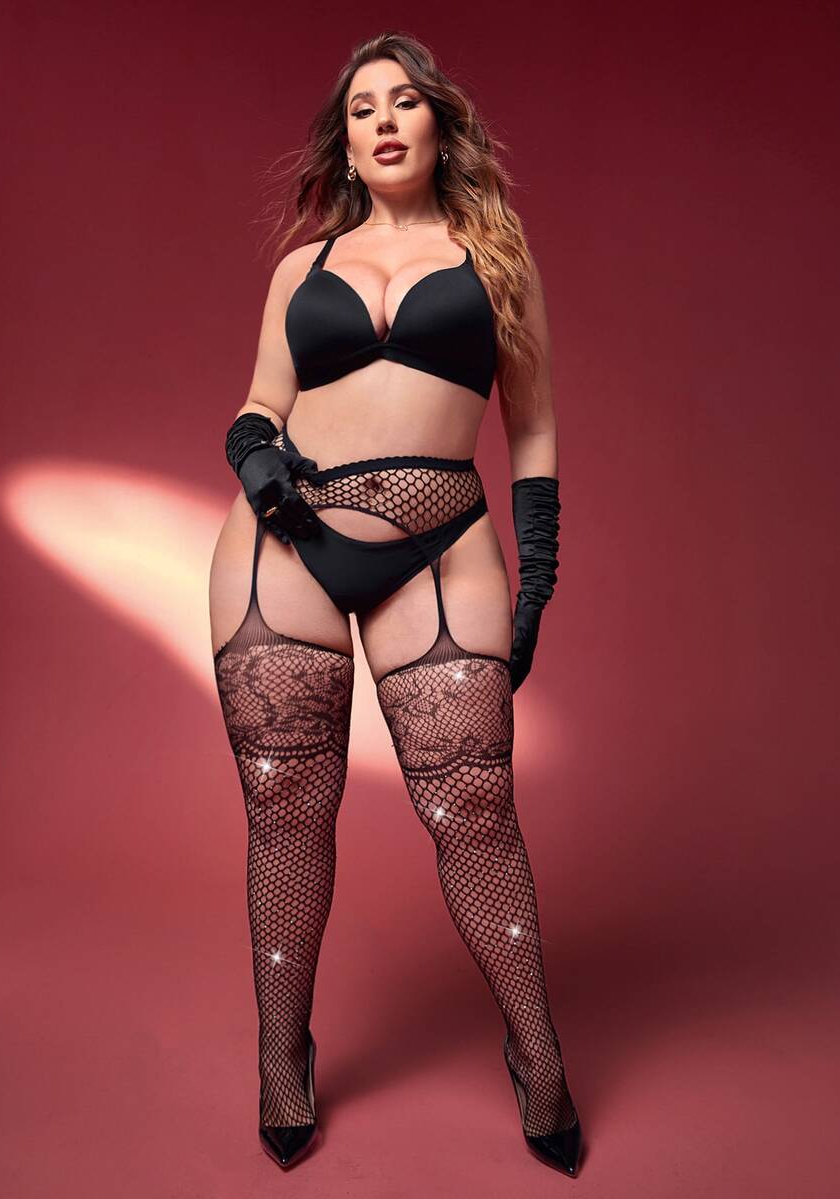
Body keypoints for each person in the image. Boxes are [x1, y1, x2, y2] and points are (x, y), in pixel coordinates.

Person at [209, 30, 582, 1177]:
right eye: (362, 106)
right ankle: (282, 1056)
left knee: (474, 807)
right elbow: (261, 401)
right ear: (345, 139)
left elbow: (532, 426)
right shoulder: (301, 269)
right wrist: (254, 455)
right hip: (286, 546)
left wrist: (538, 572)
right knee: (286, 809)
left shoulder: (495, 257)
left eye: (404, 101)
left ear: (437, 123)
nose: (382, 120)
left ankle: (539, 1055)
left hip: (442, 545)